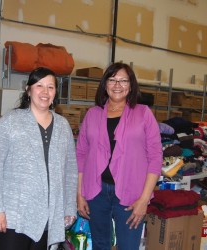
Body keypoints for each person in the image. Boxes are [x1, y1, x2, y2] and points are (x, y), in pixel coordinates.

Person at [0, 67, 78, 250]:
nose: (45, 92)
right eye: (39, 85)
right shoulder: (10, 122)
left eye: (50, 87)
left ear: (55, 93)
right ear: (28, 90)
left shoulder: (62, 126)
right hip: (12, 216)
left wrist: (68, 207)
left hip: (47, 216)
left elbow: (70, 172)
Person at [76, 62, 163, 250]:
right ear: (105, 84)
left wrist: (144, 199)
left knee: (128, 246)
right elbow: (81, 155)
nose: (117, 85)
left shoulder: (143, 113)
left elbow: (156, 157)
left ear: (131, 85)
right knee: (100, 245)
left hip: (132, 194)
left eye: (123, 80)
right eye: (113, 79)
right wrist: (79, 194)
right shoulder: (92, 114)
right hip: (96, 191)